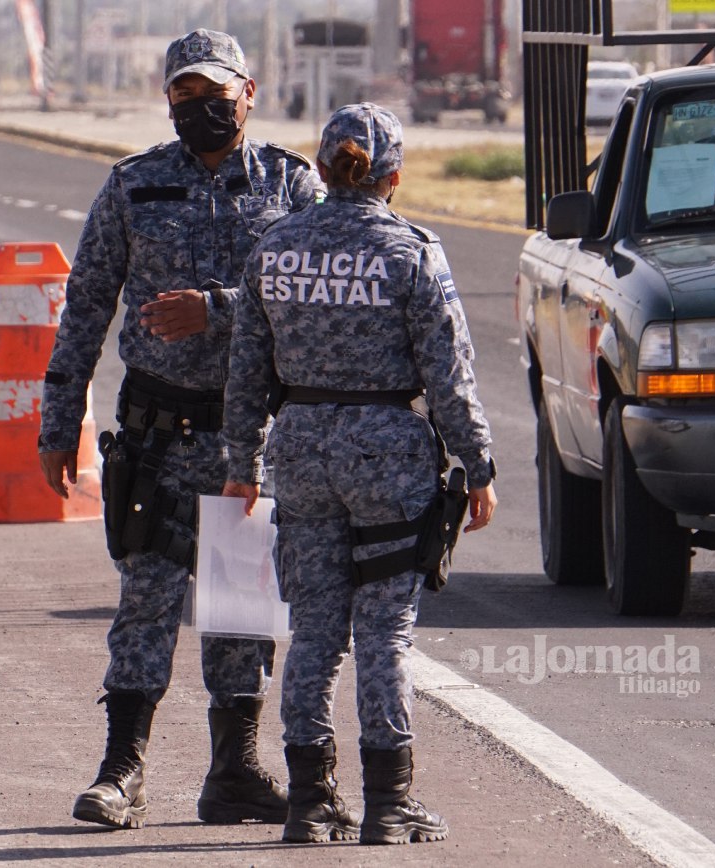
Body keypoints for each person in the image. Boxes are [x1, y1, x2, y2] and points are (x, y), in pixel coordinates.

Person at [38, 29, 322, 830]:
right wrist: (58, 421)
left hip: (248, 439)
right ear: (167, 102)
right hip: (158, 432)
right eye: (184, 96)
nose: (201, 110)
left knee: (242, 612)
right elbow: (86, 304)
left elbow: (309, 298)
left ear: (249, 91)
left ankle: (234, 771)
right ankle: (121, 770)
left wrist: (218, 307)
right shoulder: (134, 185)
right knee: (146, 604)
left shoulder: (291, 187)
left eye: (215, 93)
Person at [221, 103, 498, 845]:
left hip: (301, 451)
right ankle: (388, 801)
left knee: (313, 631)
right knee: (385, 635)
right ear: (394, 176)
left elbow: (247, 371)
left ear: (320, 169)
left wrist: (242, 464)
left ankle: (310, 802)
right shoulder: (411, 251)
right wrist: (477, 463)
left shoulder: (274, 248)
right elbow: (449, 374)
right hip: (387, 457)